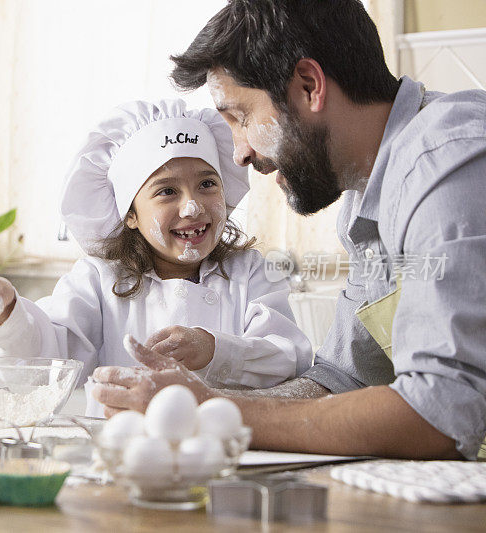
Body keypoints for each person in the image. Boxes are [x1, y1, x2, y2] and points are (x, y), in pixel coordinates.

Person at [92, 0, 486, 460]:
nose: (238, 153)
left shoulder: (445, 163)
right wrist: (190, 403)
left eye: (239, 117)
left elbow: (443, 413)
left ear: (308, 86)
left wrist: (213, 410)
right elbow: (343, 379)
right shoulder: (369, 196)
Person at [0, 99, 312, 417]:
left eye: (207, 184)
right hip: (122, 451)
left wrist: (214, 349)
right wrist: (9, 320)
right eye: (166, 191)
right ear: (129, 214)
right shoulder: (99, 280)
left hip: (220, 450)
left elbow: (287, 358)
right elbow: (51, 355)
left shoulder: (250, 273)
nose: (192, 206)